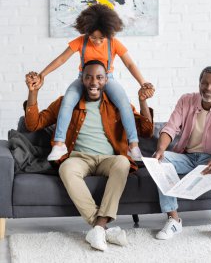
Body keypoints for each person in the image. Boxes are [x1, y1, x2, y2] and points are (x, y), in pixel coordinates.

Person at [25, 60, 153, 251]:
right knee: (66, 168)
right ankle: (102, 227)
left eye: (99, 77)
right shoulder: (66, 103)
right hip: (78, 158)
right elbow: (33, 124)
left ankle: (98, 227)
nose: (94, 82)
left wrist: (143, 101)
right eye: (89, 77)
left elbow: (146, 130)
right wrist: (33, 92)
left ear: (106, 80)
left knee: (122, 164)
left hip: (108, 159)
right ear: (81, 80)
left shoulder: (118, 105)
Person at [27, 4, 155, 162]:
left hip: (107, 78)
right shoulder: (81, 42)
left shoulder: (113, 43)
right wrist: (42, 74)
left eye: (102, 38)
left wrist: (143, 82)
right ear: (86, 31)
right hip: (84, 78)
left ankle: (134, 147)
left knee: (124, 103)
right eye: (93, 38)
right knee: (68, 100)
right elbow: (61, 59)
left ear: (109, 33)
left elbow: (130, 64)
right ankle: (59, 144)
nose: (97, 42)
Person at [153, 66, 211, 243]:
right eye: (205, 83)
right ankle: (173, 219)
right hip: (186, 157)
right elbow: (170, 127)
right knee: (159, 161)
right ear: (199, 84)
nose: (208, 88)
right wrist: (161, 150)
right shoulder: (186, 100)